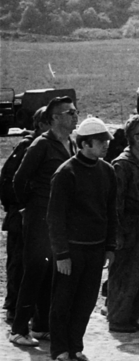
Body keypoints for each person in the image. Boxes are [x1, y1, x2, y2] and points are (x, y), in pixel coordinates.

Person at [46, 115, 117, 361]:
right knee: (64, 302)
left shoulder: (107, 171)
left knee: (86, 302)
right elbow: (55, 216)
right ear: (85, 143)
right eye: (100, 141)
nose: (106, 145)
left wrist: (110, 247)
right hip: (71, 251)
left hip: (95, 249)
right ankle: (61, 353)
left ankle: (76, 349)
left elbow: (111, 211)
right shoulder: (66, 173)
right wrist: (61, 253)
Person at [10, 93, 77, 346]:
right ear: (54, 118)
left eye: (75, 112)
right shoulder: (41, 144)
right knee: (35, 270)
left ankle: (40, 325)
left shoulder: (71, 144)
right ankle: (19, 329)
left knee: (51, 271)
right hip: (40, 216)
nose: (75, 116)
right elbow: (20, 179)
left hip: (60, 219)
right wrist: (30, 206)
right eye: (69, 113)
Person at [105, 112, 139, 332]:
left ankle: (133, 316)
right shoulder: (122, 164)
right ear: (136, 137)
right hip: (129, 225)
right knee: (126, 274)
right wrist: (116, 232)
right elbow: (115, 202)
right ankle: (118, 318)